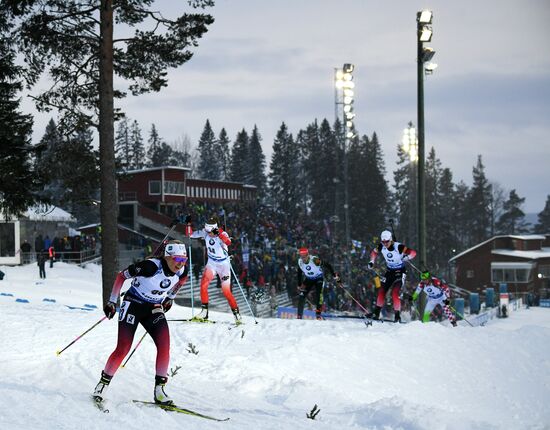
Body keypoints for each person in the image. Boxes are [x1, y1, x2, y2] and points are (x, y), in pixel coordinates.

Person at [92, 240, 189, 405]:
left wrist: (170, 298)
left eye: (183, 260)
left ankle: (159, 390)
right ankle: (103, 384)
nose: (180, 264)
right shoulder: (150, 267)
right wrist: (111, 302)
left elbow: (181, 282)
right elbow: (121, 276)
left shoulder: (182, 271)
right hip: (133, 304)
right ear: (167, 257)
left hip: (154, 307)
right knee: (123, 348)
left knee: (164, 345)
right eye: (177, 260)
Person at [187, 217, 242, 324]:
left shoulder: (222, 234)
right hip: (212, 263)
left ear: (215, 230)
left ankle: (237, 315)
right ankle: (204, 313)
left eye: (210, 232)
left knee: (226, 291)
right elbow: (190, 234)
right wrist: (188, 224)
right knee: (203, 286)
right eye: (207, 232)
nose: (208, 234)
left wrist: (220, 233)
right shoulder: (205, 232)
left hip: (223, 265)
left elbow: (229, 242)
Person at [368, 230, 416, 322]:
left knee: (395, 293)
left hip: (400, 271)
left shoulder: (399, 246)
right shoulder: (381, 246)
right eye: (383, 242)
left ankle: (397, 316)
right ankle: (376, 313)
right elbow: (374, 253)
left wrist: (407, 258)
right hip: (390, 271)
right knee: (382, 291)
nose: (385, 244)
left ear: (391, 239)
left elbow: (413, 253)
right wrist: (371, 262)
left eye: (387, 241)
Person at [296, 247, 340, 320]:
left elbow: (327, 265)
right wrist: (299, 284)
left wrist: (334, 275)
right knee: (302, 296)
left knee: (319, 296)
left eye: (304, 256)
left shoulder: (314, 260)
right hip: (309, 279)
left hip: (318, 278)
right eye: (301, 256)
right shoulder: (300, 261)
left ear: (307, 255)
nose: (303, 258)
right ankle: (299, 316)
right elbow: (299, 272)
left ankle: (318, 315)